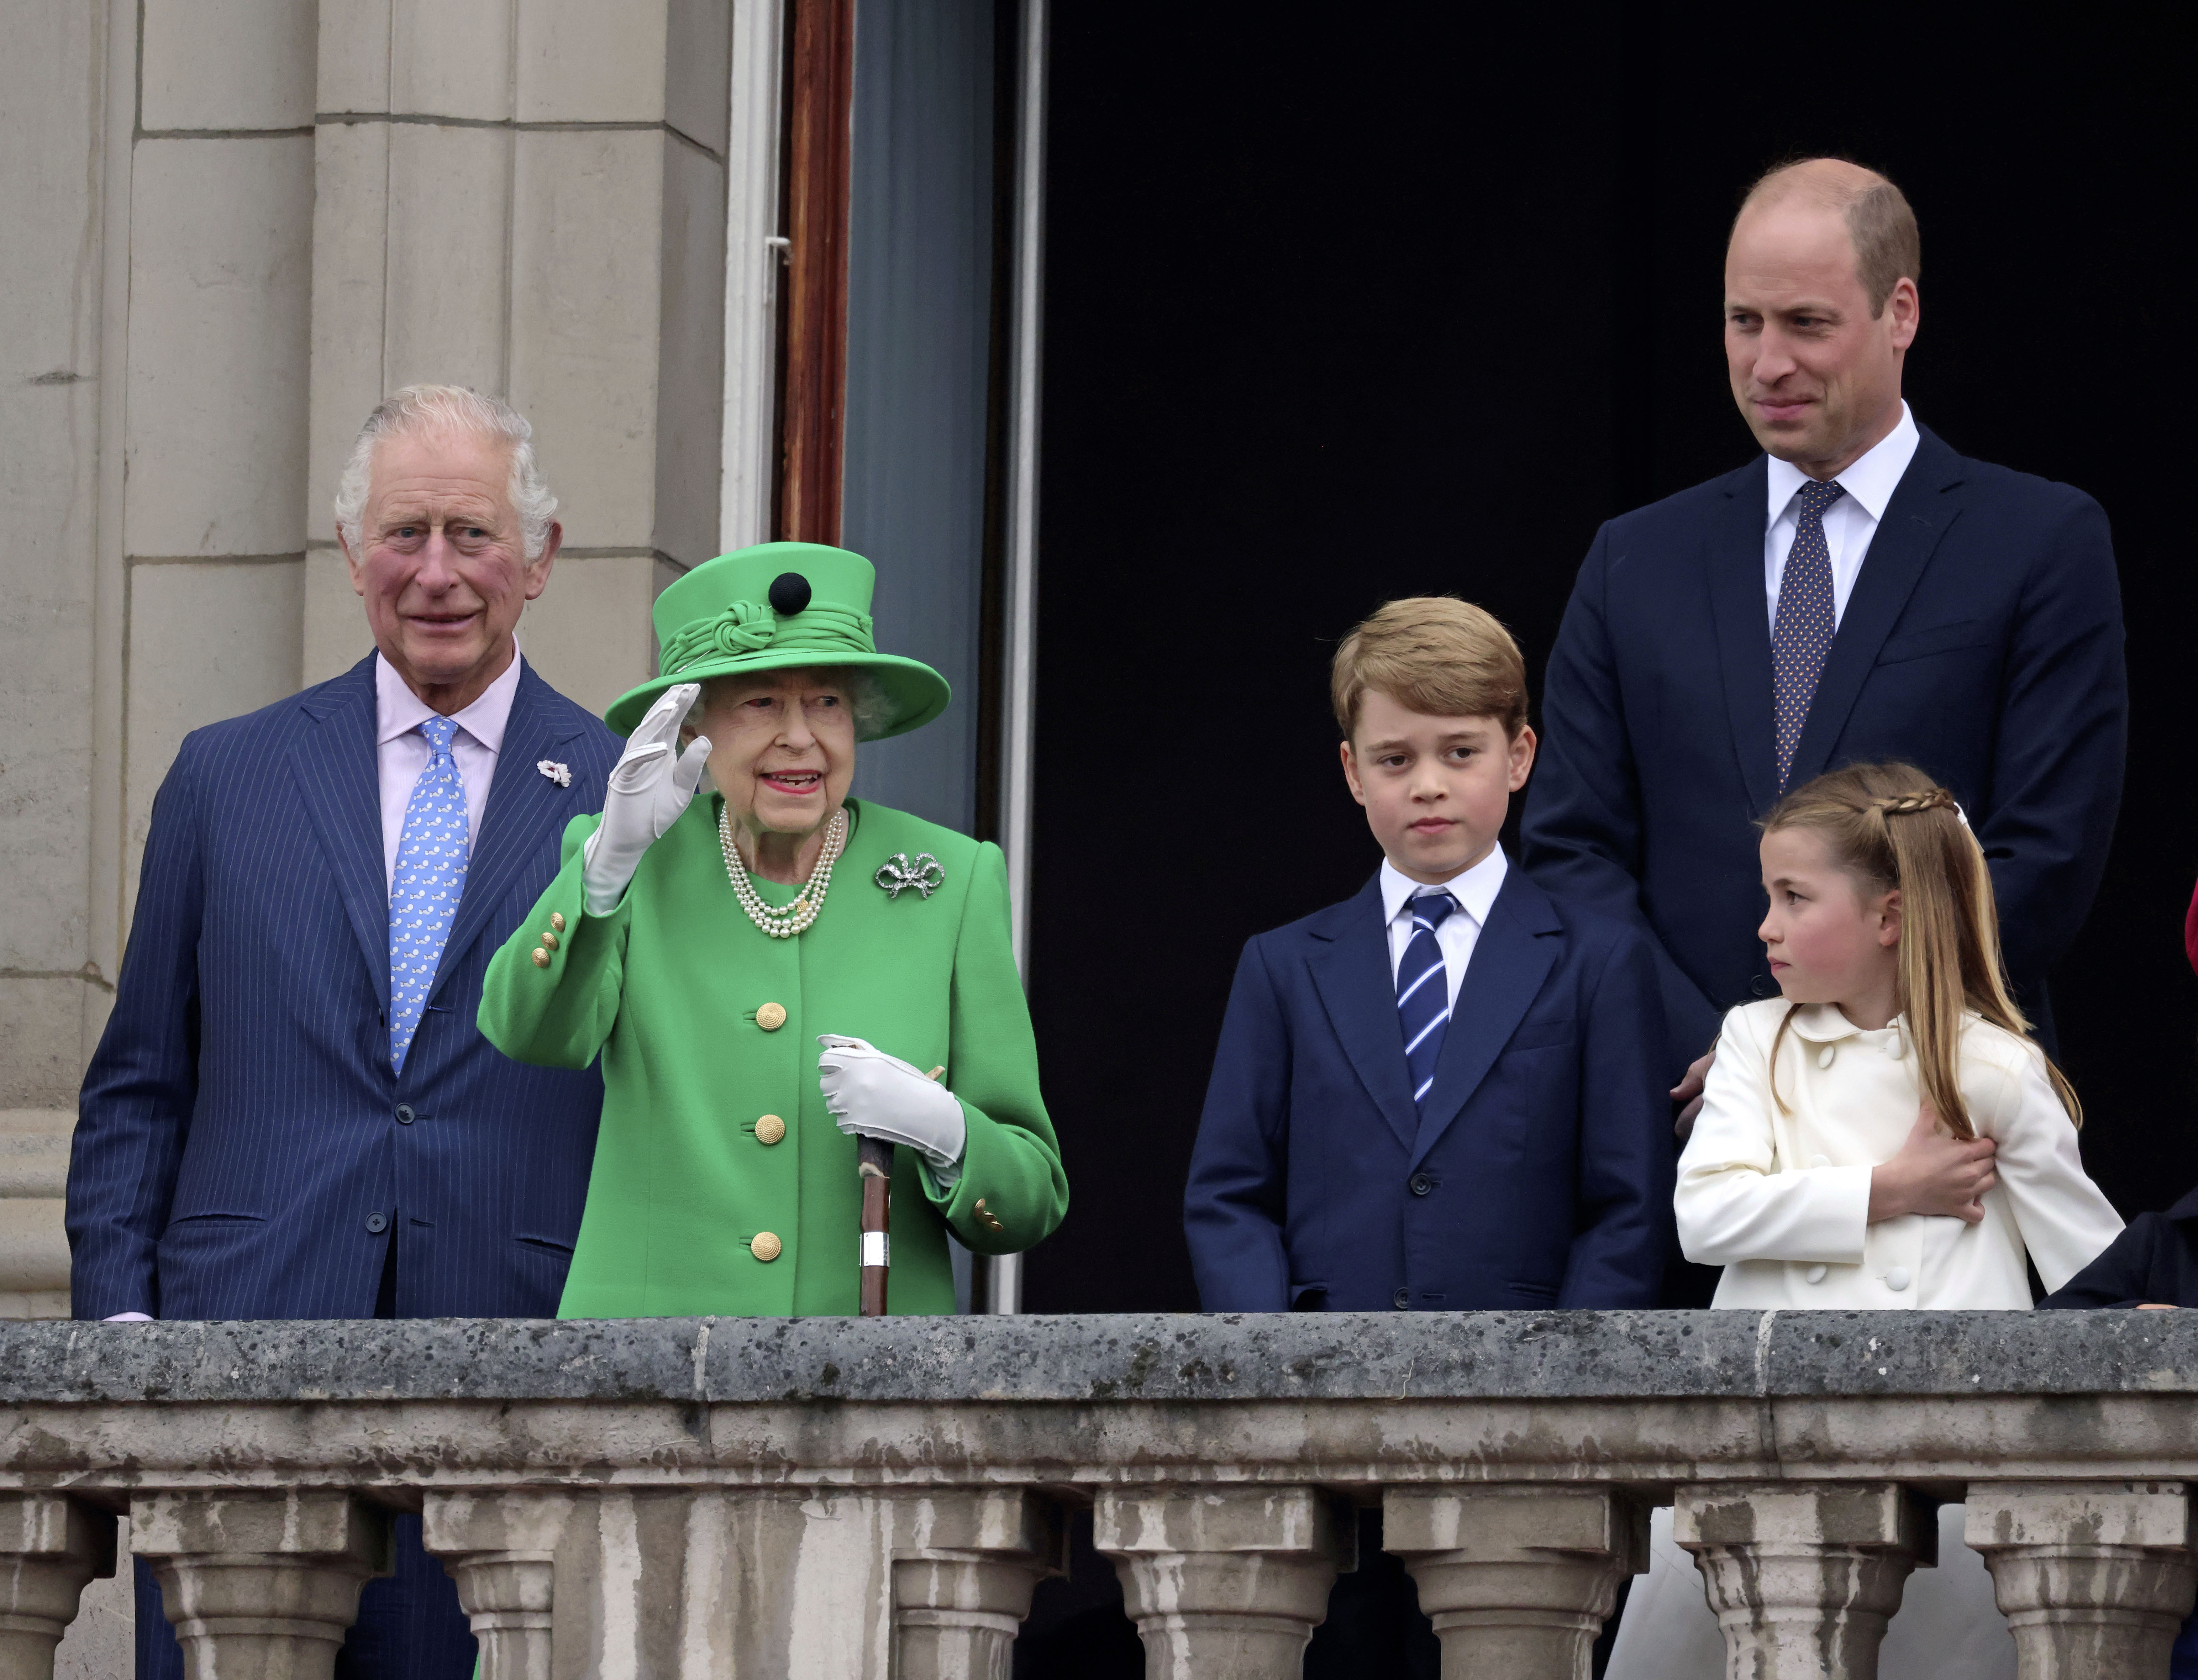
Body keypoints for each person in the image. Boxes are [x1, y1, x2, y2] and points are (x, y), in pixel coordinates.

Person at [67, 384, 623, 1680]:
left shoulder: (619, 793)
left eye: (474, 535)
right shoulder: (227, 774)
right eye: (405, 533)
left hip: (510, 1382)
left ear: (538, 559)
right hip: (236, 1379)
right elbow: (141, 1082)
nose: (437, 573)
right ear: (349, 554)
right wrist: (123, 1339)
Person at [1522, 158, 2126, 1132]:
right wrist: (1724, 1054)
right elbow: (1572, 846)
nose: (1768, 363)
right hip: (1682, 1123)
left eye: (1806, 324)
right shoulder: (1634, 556)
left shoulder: (2038, 542)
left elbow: (2042, 854)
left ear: (1901, 313)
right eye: (1742, 322)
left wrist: (1832, 1048)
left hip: (1938, 1116)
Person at [1608, 760, 2123, 1680]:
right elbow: (1704, 1214)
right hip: (1755, 1455)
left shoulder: (1993, 1070)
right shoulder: (1755, 1042)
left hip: (1938, 1471)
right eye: (1768, 894)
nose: (1765, 924)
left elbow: (2094, 1271)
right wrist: (1887, 1190)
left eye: (1794, 896)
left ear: (1888, 916)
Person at [477, 541, 1066, 1315]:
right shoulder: (631, 857)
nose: (799, 737)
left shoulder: (952, 881)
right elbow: (531, 1033)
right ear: (696, 730)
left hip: (871, 1388)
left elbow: (1027, 1203)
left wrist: (948, 1132)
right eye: (760, 704)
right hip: (648, 1373)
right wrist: (604, 867)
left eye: (825, 702)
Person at [1183, 596, 1674, 1311]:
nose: (1428, 785)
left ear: (1520, 757)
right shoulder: (1283, 966)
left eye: (1461, 752)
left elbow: (1627, 1209)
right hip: (1318, 1384)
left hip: (1527, 1382)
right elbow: (1229, 1195)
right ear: (1353, 773)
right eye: (1394, 759)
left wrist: (1568, 1388)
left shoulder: (1599, 962)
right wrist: (1272, 1371)